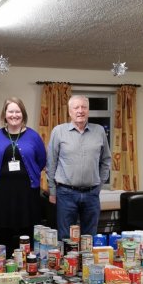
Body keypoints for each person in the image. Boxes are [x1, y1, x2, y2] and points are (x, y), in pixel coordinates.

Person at [46, 95, 112, 240]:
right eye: (76, 107)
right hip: (65, 193)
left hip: (92, 194)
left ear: (88, 110)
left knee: (90, 237)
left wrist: (99, 184)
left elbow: (106, 160)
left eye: (84, 107)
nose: (80, 111)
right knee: (65, 237)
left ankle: (87, 263)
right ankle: (67, 263)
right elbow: (51, 163)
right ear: (69, 111)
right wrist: (52, 191)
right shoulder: (58, 131)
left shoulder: (99, 131)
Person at [0, 97, 46, 257]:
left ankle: (27, 263)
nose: (14, 115)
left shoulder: (33, 136)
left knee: (27, 230)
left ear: (23, 114)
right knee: (4, 231)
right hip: (3, 191)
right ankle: (4, 263)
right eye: (10, 111)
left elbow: (41, 160)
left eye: (17, 111)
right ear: (5, 114)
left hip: (27, 191)